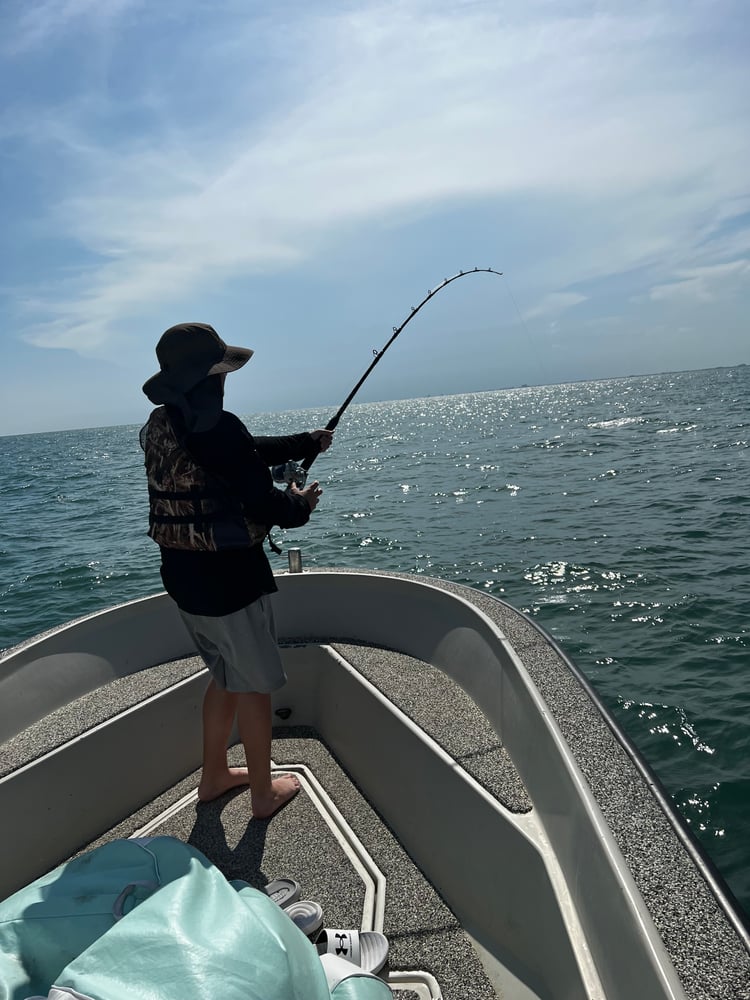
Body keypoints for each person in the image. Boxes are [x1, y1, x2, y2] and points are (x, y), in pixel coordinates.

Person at [140, 322, 333, 819]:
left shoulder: (160, 424)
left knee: (224, 677)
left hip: (182, 578)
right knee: (252, 687)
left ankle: (214, 775)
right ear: (210, 377)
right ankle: (263, 795)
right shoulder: (221, 429)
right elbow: (270, 505)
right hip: (232, 581)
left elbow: (239, 451)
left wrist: (301, 441)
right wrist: (301, 504)